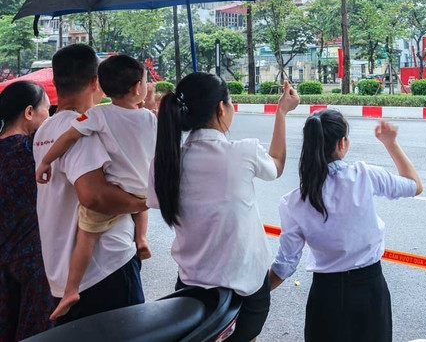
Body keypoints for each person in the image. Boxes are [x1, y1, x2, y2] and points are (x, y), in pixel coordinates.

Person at [149, 74, 299, 342]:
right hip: (246, 289)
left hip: (191, 287)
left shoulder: (166, 163)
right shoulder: (243, 152)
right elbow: (277, 164)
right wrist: (282, 113)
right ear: (221, 108)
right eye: (230, 103)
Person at [269, 110, 423, 342]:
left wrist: (254, 293)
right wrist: (390, 144)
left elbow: (285, 265)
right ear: (342, 143)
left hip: (325, 297)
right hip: (370, 291)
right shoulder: (365, 175)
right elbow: (414, 185)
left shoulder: (295, 201)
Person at [33, 44, 149, 325]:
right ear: (96, 81)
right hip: (105, 269)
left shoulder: (45, 129)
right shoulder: (81, 129)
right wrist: (145, 202)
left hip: (62, 270)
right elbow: (93, 196)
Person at [0, 81, 56, 342]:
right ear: (29, 112)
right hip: (34, 262)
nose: (50, 115)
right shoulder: (33, 154)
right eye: (46, 109)